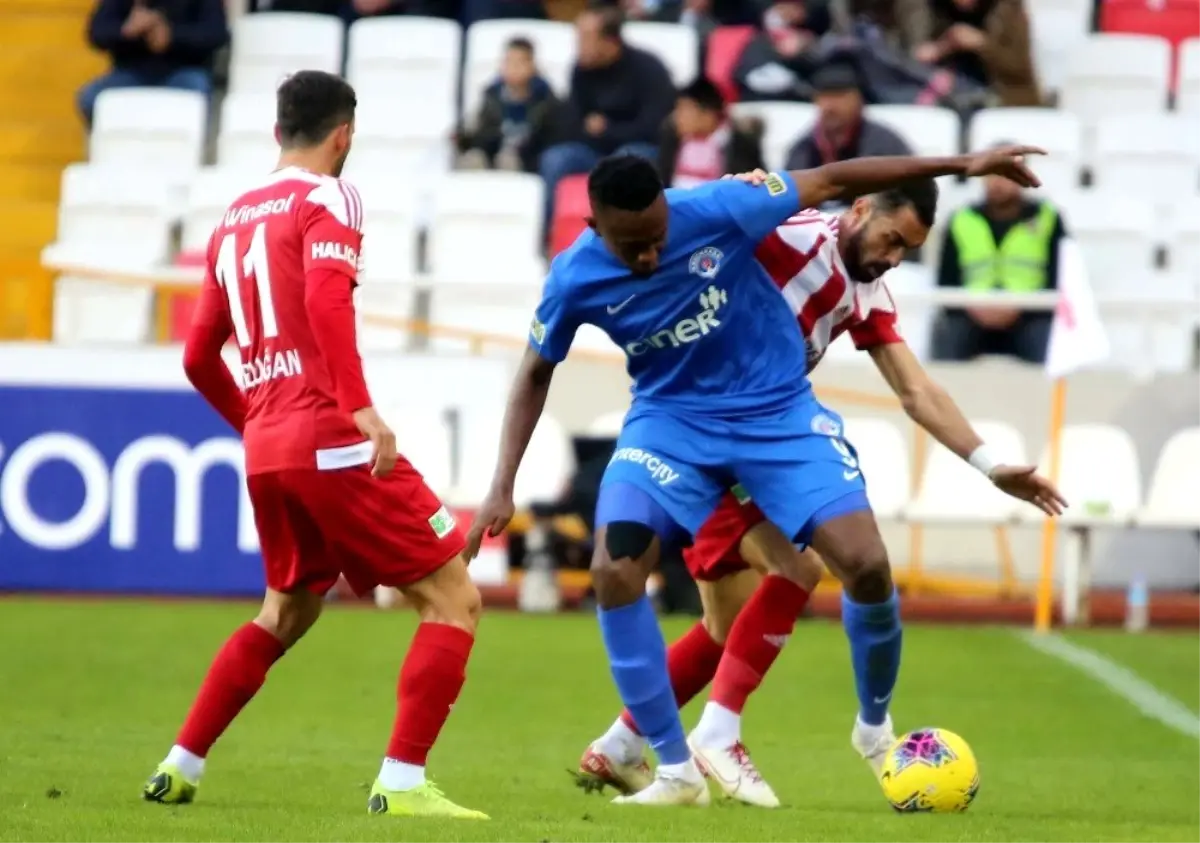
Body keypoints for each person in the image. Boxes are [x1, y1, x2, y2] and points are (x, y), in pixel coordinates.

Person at [466, 145, 1045, 806]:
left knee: (846, 570)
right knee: (646, 569)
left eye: (659, 240)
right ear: (596, 228)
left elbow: (914, 385)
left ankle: (658, 740)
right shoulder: (610, 269)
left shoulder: (748, 228)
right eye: (636, 247)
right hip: (674, 423)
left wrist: (964, 164)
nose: (654, 257)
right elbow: (535, 370)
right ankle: (697, 747)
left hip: (775, 415)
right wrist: (500, 484)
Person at [142, 70, 486, 820]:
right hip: (329, 432)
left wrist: (262, 426)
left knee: (286, 611)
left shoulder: (233, 216)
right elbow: (326, 297)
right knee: (454, 597)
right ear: (344, 136)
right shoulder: (332, 195)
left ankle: (180, 763)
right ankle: (400, 783)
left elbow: (200, 358)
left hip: (268, 442)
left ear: (276, 132)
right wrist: (358, 408)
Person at [538, 4, 675, 228]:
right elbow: (572, 123)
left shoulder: (649, 69)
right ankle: (550, 234)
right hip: (592, 150)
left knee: (628, 159)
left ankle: (627, 235)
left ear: (610, 42)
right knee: (556, 158)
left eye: (584, 38)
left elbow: (655, 127)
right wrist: (595, 131)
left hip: (638, 148)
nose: (577, 46)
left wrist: (607, 130)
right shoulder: (580, 70)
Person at [932, 149, 1068, 365]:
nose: (998, 182)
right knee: (948, 333)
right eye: (992, 173)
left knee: (1049, 340)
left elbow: (1061, 277)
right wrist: (974, 308)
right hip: (972, 315)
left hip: (1030, 315)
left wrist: (1020, 308)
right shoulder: (961, 219)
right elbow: (946, 281)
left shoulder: (1048, 218)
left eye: (1007, 173)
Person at [80, 0, 228, 125]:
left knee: (197, 92)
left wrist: (172, 37)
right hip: (131, 73)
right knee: (91, 97)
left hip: (184, 71)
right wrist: (127, 31)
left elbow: (216, 34)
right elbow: (97, 33)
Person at [657, 76, 766, 189]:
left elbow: (753, 184)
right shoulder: (671, 137)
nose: (677, 117)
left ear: (708, 115)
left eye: (684, 111)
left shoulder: (740, 143)